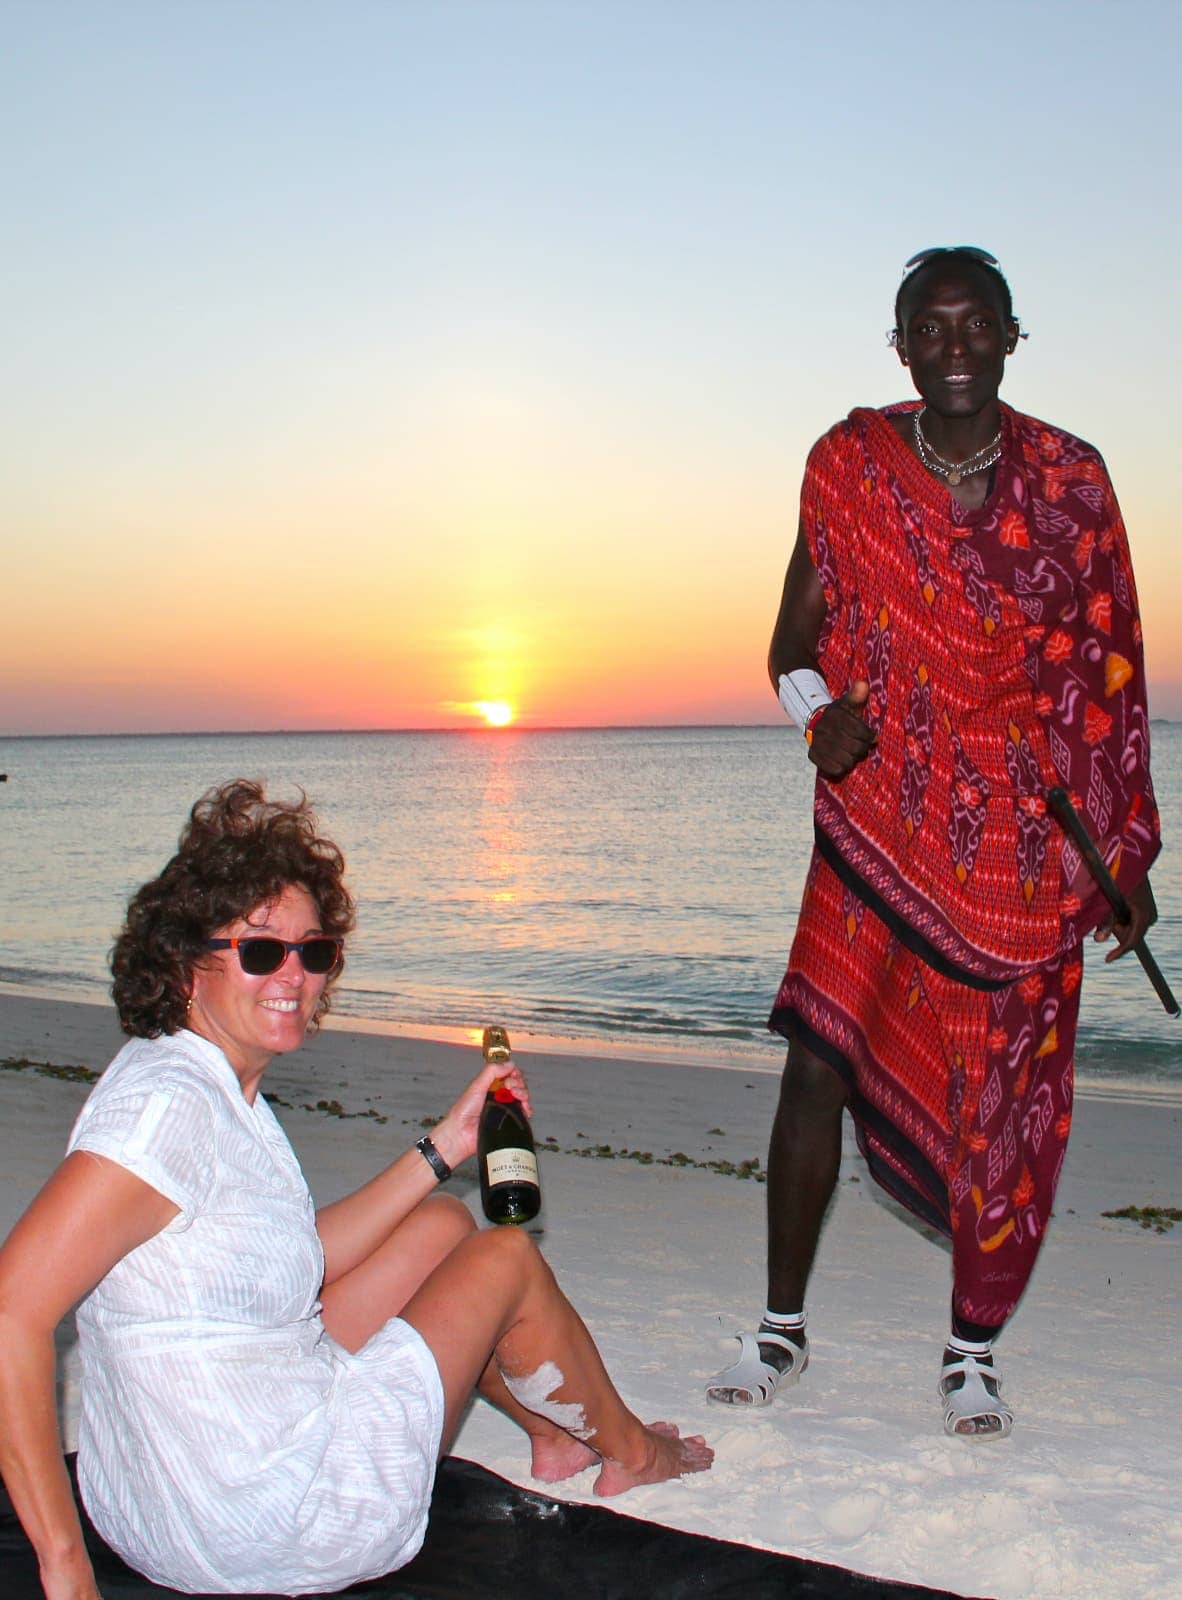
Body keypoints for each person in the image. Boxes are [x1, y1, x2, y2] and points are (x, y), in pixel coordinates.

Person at [0, 780, 712, 1599]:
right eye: (260, 949)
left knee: (443, 1226)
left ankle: (550, 1434)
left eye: (315, 950)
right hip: (268, 1516)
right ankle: (631, 1451)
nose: (292, 975)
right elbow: (14, 1310)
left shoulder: (208, 1083)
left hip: (179, 1492)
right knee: (506, 1257)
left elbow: (293, 1257)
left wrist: (448, 1146)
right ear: (182, 962)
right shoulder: (166, 1112)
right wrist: (64, 1568)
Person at [706, 246, 1160, 1438]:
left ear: (1015, 335)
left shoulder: (1072, 481)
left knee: (999, 1091)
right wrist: (823, 717)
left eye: (978, 325)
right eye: (931, 327)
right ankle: (780, 1334)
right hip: (876, 809)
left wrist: (1120, 857)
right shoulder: (847, 466)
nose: (956, 346)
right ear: (899, 345)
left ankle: (971, 1349)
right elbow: (790, 642)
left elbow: (1108, 680)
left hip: (1015, 834)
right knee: (816, 1056)